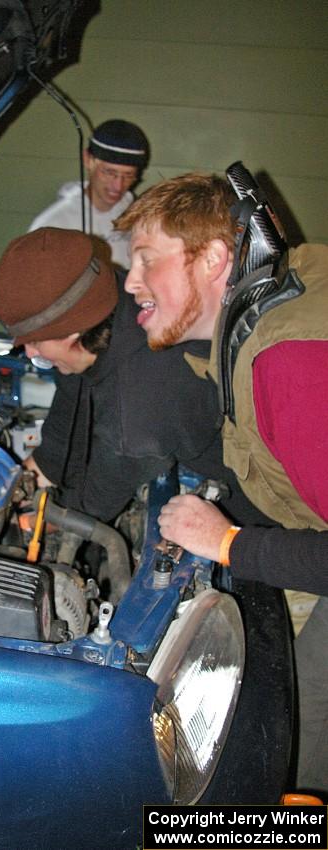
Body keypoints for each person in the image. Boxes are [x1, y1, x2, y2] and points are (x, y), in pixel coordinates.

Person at [116, 168, 328, 795]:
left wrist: (229, 543)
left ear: (213, 259)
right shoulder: (259, 312)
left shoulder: (287, 364)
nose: (130, 281)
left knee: (289, 742)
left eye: (146, 261)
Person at [0, 226, 275, 528]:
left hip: (260, 521)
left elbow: (85, 512)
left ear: (73, 332)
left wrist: (5, 527)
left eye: (35, 341)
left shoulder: (142, 405)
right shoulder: (103, 312)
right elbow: (57, 447)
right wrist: (7, 492)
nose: (31, 354)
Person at [28, 120, 149, 269]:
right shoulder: (53, 224)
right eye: (109, 172)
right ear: (87, 160)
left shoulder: (139, 217)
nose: (118, 186)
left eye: (128, 175)